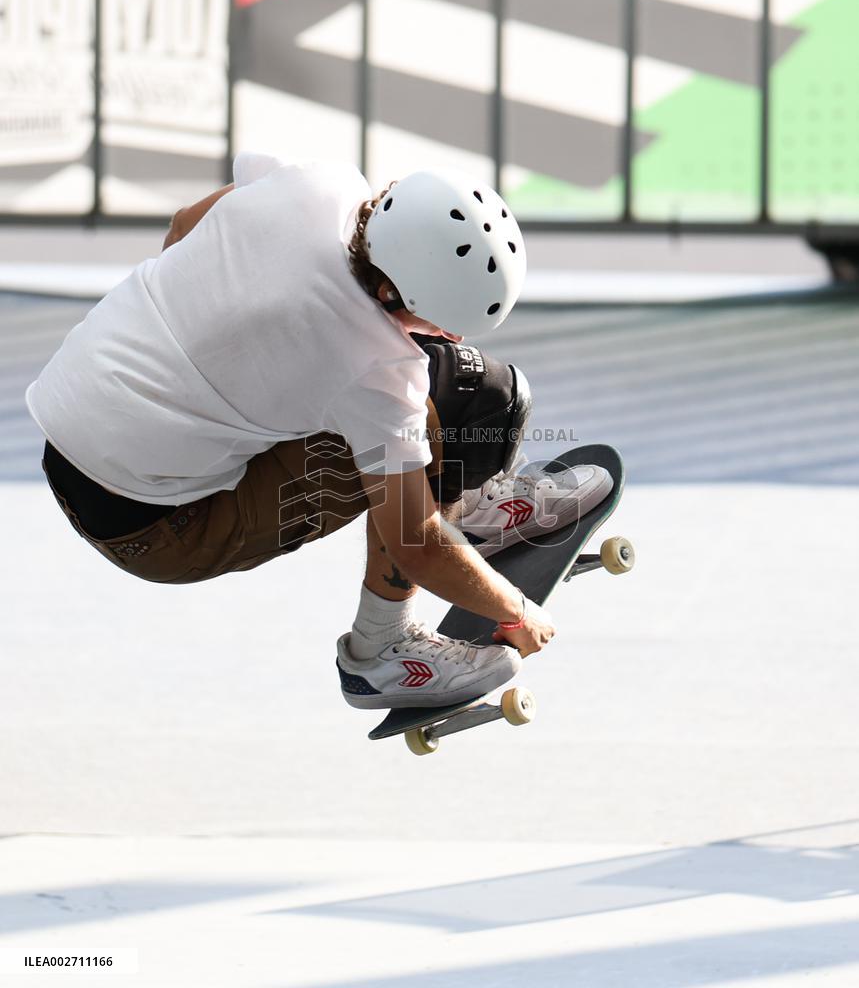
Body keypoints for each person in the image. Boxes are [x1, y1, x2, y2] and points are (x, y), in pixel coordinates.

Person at [25, 153, 613, 711]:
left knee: (484, 394)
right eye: (441, 323)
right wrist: (515, 610)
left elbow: (184, 227)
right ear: (392, 293)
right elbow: (414, 544)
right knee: (437, 412)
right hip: (157, 526)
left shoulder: (320, 182)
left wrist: (202, 349)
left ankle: (465, 516)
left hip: (68, 427)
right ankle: (380, 649)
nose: (449, 338)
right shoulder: (375, 370)